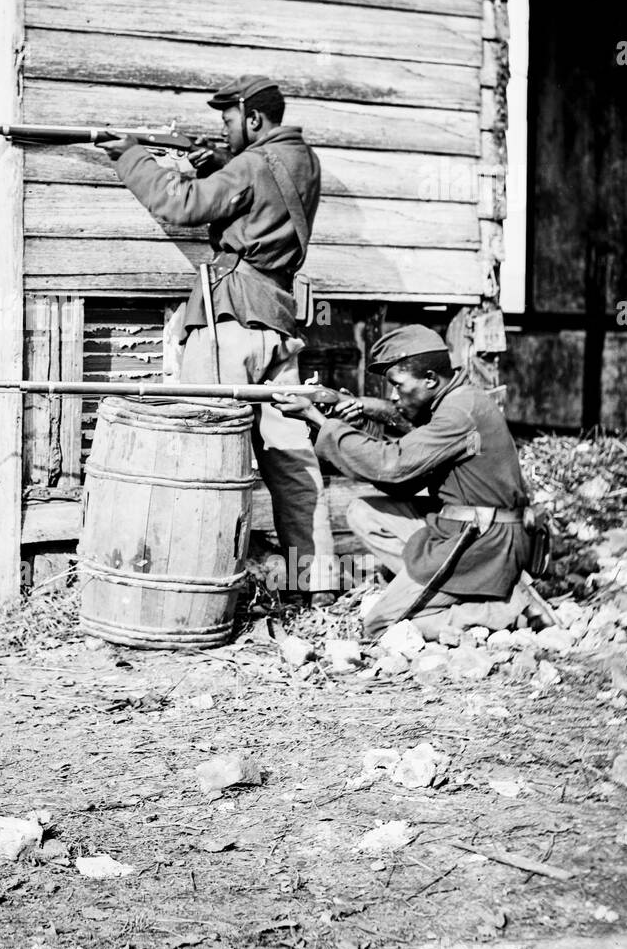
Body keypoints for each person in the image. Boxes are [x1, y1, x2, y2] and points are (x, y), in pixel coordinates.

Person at [103, 74, 335, 593]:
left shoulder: (251, 165)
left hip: (229, 322)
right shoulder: (303, 160)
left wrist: (132, 155)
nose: (225, 130)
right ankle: (314, 584)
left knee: (201, 451)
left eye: (229, 120)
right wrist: (221, 163)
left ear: (254, 119)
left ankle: (196, 583)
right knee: (292, 462)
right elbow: (262, 202)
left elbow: (179, 206)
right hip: (278, 325)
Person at [270, 324, 534, 638]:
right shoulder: (457, 401)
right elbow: (403, 480)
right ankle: (449, 589)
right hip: (465, 529)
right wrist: (358, 414)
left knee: (378, 624)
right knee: (363, 512)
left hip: (482, 542)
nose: (393, 395)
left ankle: (501, 610)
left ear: (431, 380)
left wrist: (319, 420)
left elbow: (391, 465)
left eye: (398, 385)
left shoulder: (459, 413)